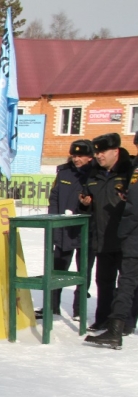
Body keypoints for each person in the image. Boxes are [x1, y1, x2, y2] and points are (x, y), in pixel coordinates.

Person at [78, 133, 134, 330]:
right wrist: (84, 204)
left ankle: (125, 322)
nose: (99, 156)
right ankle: (102, 318)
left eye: (102, 152)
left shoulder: (129, 172)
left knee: (127, 282)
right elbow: (87, 202)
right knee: (103, 281)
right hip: (102, 237)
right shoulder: (94, 174)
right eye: (96, 152)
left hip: (125, 238)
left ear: (115, 152)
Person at [85, 165, 138, 348]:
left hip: (134, 236)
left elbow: (134, 207)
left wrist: (123, 231)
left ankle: (115, 330)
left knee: (127, 282)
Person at [42, 139, 95, 320]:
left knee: (84, 270)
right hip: (64, 229)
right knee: (57, 269)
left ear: (90, 157)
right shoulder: (64, 171)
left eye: (80, 156)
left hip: (85, 230)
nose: (76, 159)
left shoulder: (96, 174)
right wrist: (53, 222)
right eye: (74, 155)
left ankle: (79, 309)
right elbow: (54, 198)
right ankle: (51, 306)